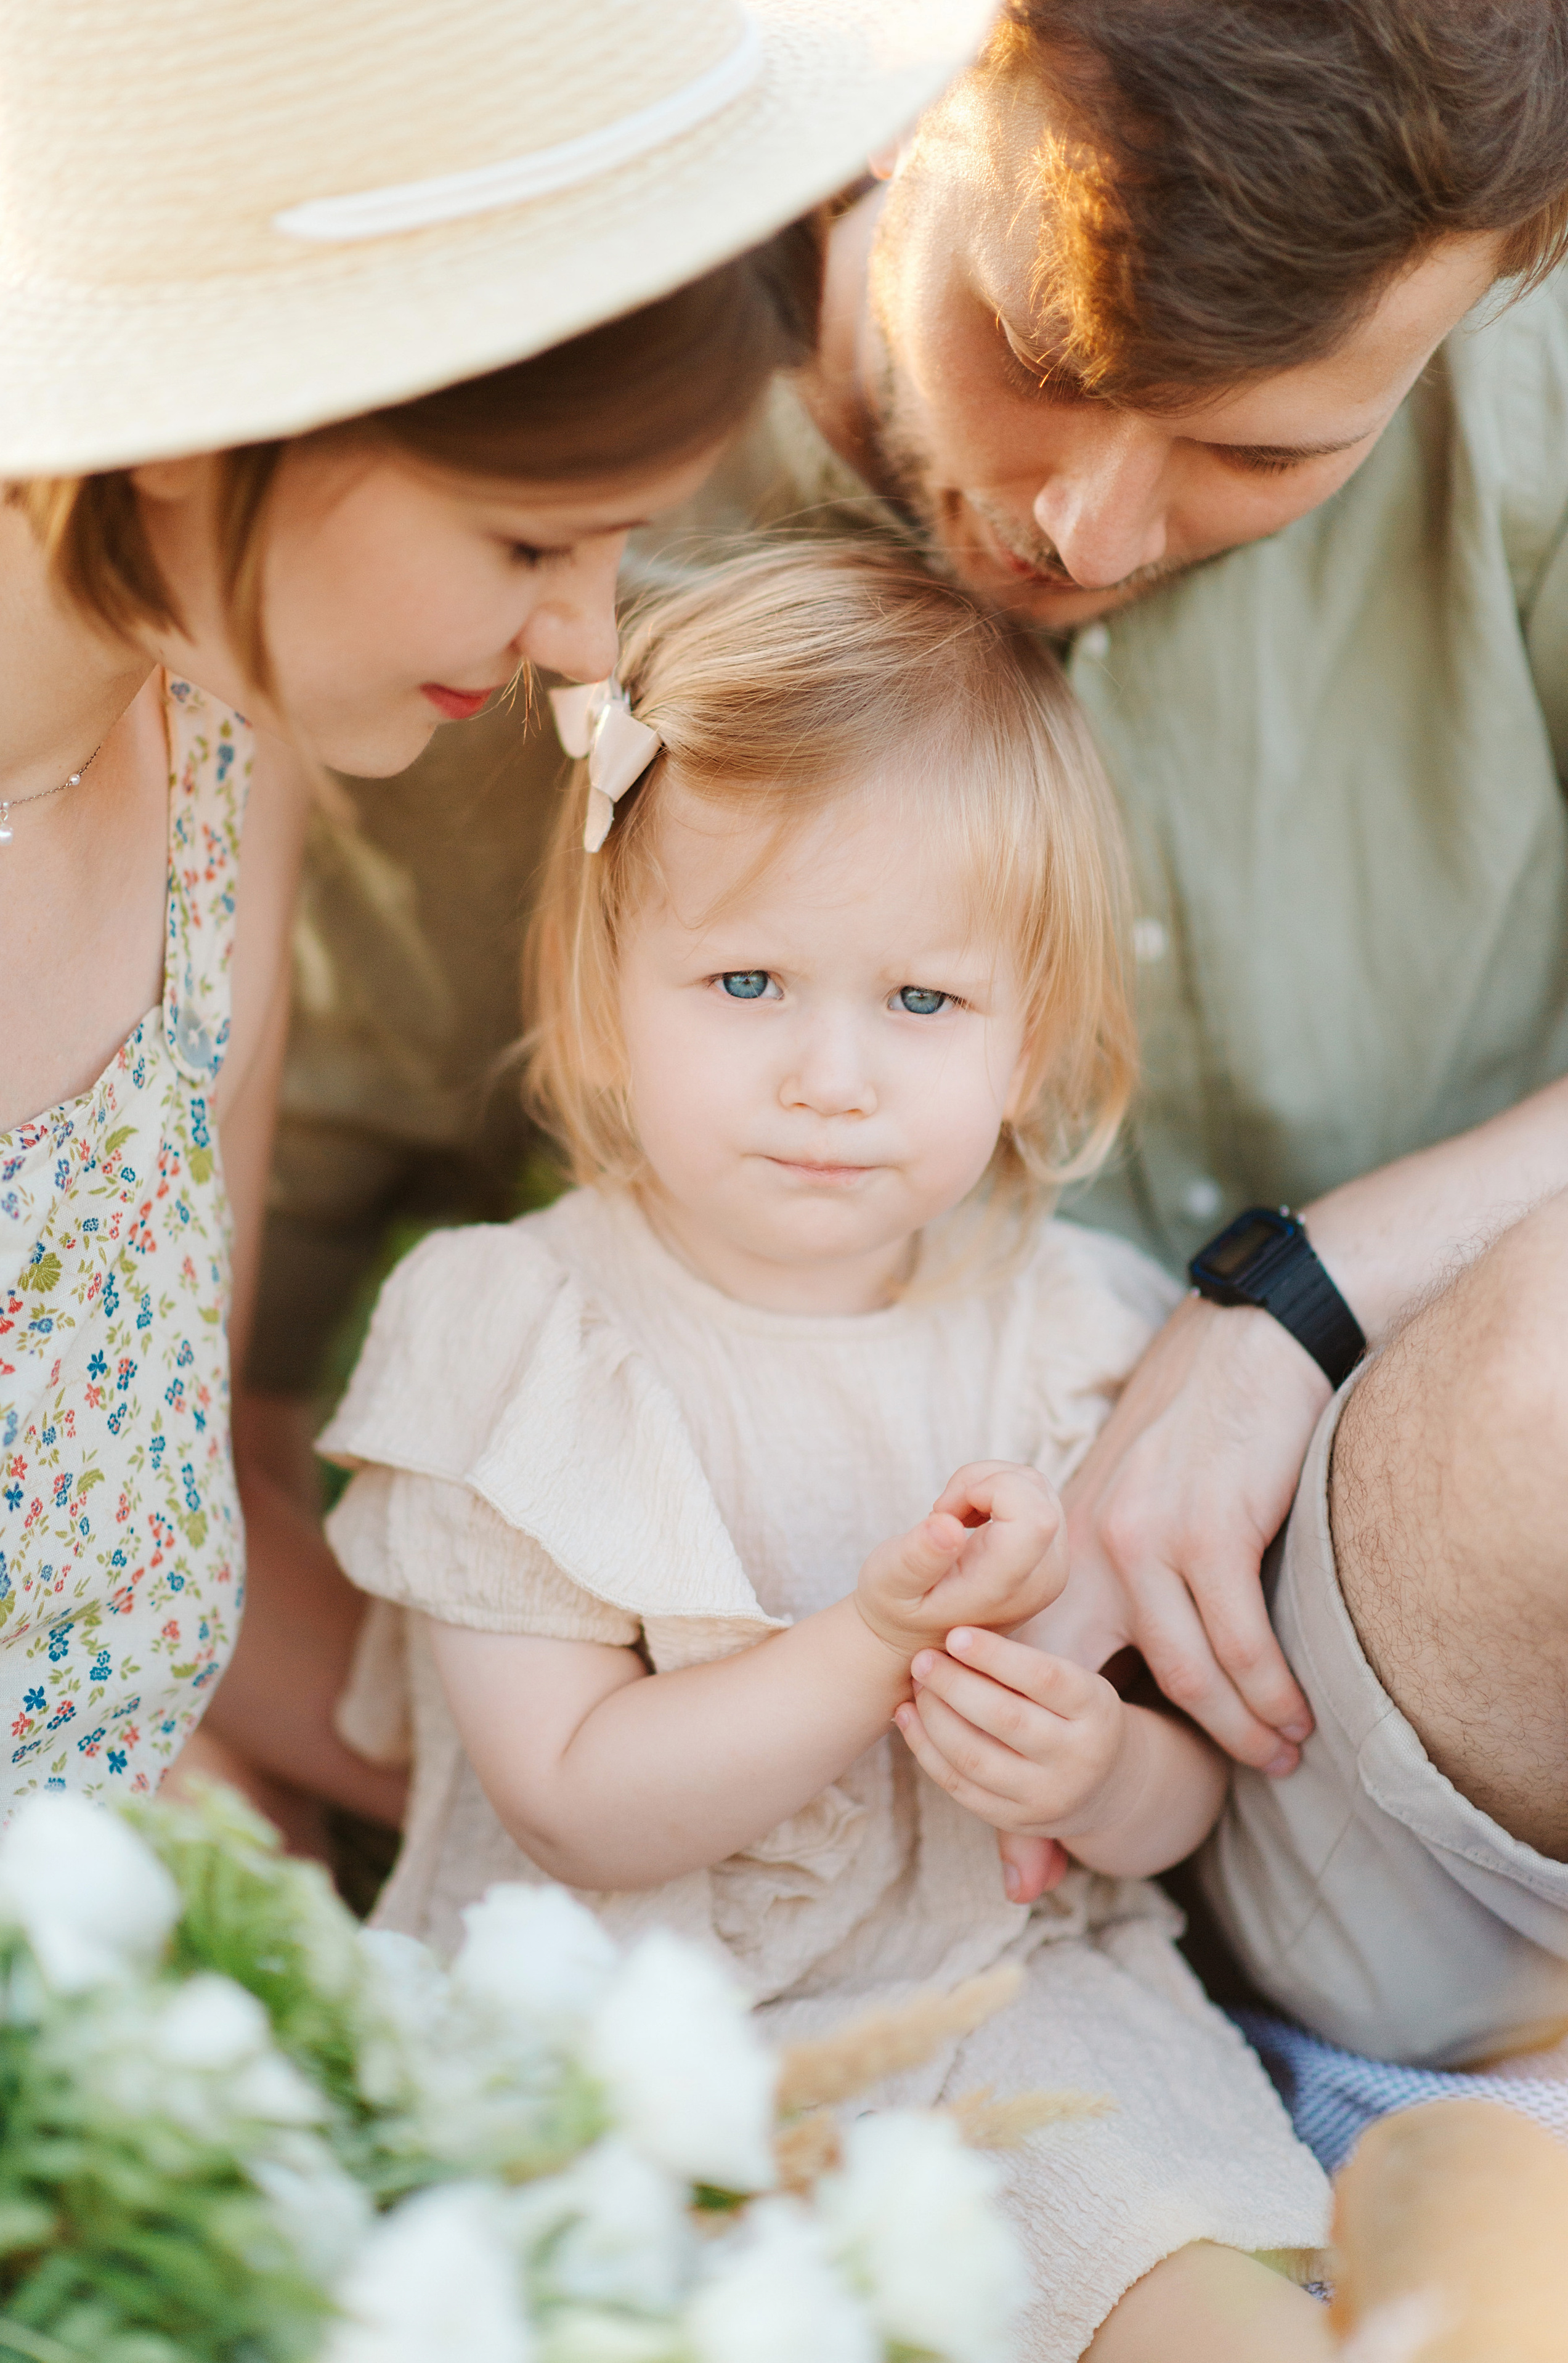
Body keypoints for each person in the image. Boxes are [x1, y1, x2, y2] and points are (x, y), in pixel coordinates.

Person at [252, 0, 1568, 2084]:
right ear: (915, 80)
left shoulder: (1529, 395)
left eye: (1264, 450)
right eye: (1041, 361)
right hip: (857, 1865)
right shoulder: (556, 557)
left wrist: (1284, 1314)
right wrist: (578, 1807)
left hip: (1396, 1653)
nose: (1095, 528)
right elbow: (204, 1375)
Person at [320, 543, 1334, 2363]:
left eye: (922, 1004)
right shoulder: (517, 1336)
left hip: (1005, 2003)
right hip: (626, 2044)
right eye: (749, 983)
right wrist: (869, 1644)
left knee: (1211, 2306)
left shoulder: (1082, 1337)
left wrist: (1092, 1769)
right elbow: (573, 1794)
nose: (833, 1075)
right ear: (604, 981)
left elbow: (1188, 1795)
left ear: (1035, 1039)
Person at [0, 0, 994, 1831]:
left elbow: (126, 1556)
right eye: (531, 545)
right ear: (190, 433)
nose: (586, 649)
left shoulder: (218, 752)